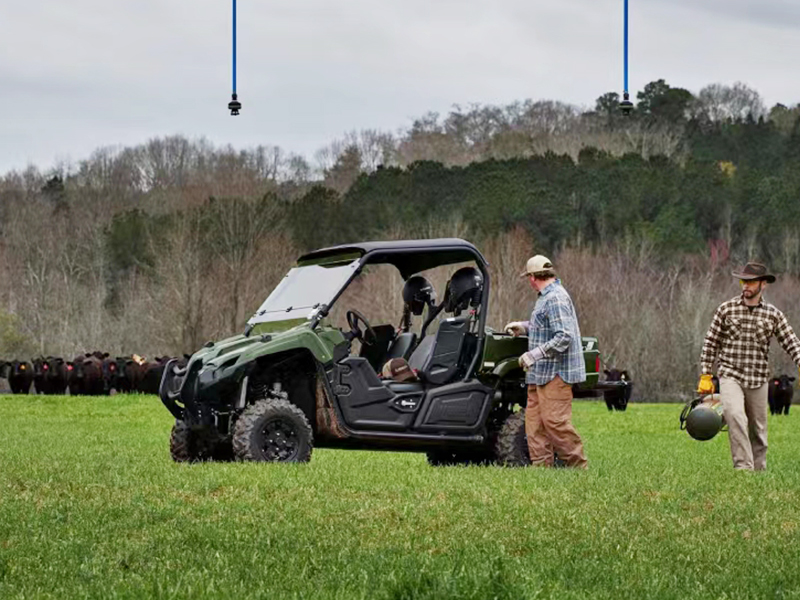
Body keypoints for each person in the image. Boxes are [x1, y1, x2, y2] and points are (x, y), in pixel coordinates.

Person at [698, 261, 800, 471]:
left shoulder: (773, 315)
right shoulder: (726, 310)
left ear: (763, 284)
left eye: (751, 282)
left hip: (758, 378)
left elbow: (791, 342)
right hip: (730, 375)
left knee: (758, 429)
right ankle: (743, 469)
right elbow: (710, 342)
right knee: (735, 415)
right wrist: (706, 374)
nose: (746, 285)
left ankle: (758, 471)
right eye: (743, 281)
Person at [504, 255, 588, 468]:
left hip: (556, 373)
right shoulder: (545, 297)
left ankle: (578, 467)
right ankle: (542, 468)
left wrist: (533, 355)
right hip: (539, 373)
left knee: (555, 422)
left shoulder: (556, 297)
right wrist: (523, 327)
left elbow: (564, 336)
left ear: (533, 277)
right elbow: (545, 325)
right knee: (534, 424)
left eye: (528, 277)